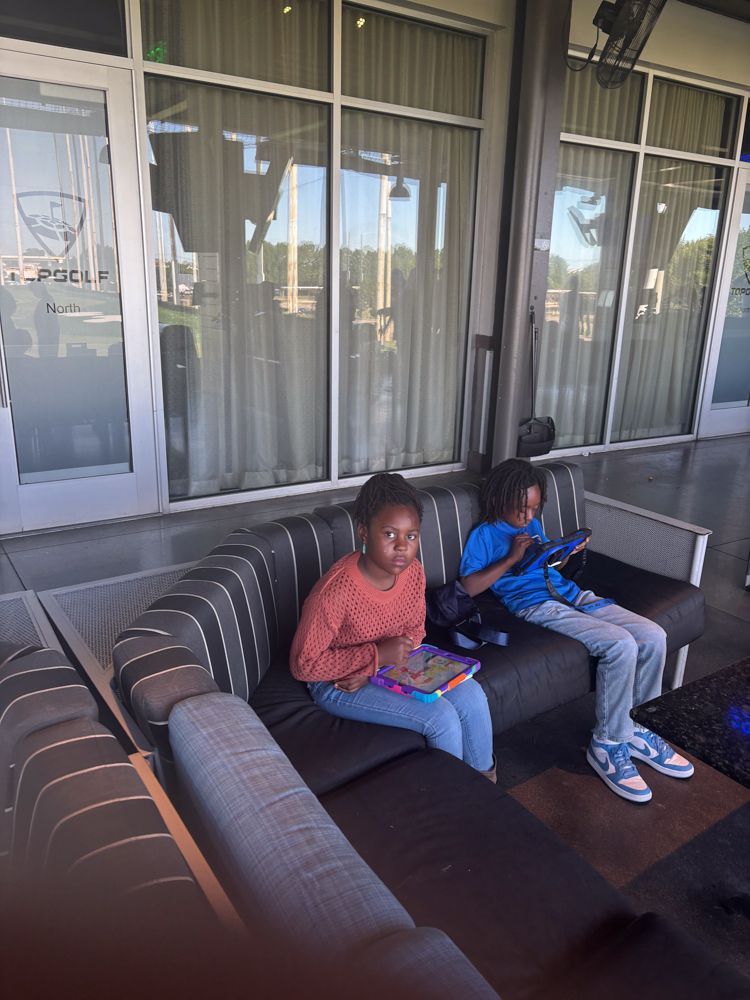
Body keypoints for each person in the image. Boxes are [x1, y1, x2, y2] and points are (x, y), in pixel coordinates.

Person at [458, 458, 694, 803]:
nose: (528, 517)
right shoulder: (485, 534)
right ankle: (608, 743)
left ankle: (639, 729)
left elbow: (546, 565)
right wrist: (510, 558)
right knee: (620, 645)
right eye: (521, 509)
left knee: (653, 635)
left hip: (573, 595)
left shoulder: (533, 523)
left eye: (534, 508)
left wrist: (562, 553)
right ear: (498, 500)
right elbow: (468, 587)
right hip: (537, 605)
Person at [290, 472, 496, 780]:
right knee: (441, 719)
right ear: (363, 532)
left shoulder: (414, 572)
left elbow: (415, 629)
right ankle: (455, 808)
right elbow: (304, 665)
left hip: (389, 666)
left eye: (410, 536)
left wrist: (380, 664)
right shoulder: (334, 592)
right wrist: (371, 662)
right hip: (336, 682)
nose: (402, 547)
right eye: (389, 535)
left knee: (472, 696)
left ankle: (486, 787)